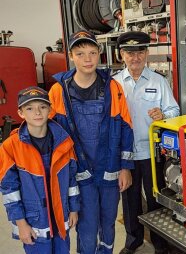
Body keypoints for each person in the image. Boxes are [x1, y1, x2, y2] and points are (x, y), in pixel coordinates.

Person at [48, 30, 134, 254]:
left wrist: (125, 167)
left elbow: (126, 127)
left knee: (108, 222)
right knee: (86, 226)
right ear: (71, 56)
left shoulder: (112, 88)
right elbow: (49, 132)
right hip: (79, 173)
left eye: (93, 53)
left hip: (109, 170)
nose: (87, 59)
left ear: (100, 54)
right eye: (80, 53)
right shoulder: (58, 91)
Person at [113, 31, 180, 254]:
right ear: (121, 55)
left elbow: (175, 110)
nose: (135, 57)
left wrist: (164, 114)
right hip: (126, 156)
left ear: (147, 53)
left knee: (156, 200)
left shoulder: (158, 81)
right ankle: (133, 242)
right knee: (130, 201)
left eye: (140, 51)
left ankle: (161, 245)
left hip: (152, 153)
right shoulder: (113, 84)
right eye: (130, 52)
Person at [0, 86, 80, 254]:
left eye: (42, 107)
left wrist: (73, 209)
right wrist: (21, 224)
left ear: (50, 110)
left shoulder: (64, 142)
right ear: (21, 113)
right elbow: (10, 192)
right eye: (30, 108)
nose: (37, 112)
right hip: (33, 223)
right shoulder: (10, 147)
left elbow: (72, 180)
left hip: (60, 218)